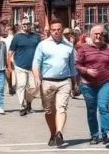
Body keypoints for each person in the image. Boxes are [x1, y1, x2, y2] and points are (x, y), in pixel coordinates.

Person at [33, 19, 78, 147]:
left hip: (64, 82)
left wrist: (75, 83)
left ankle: (59, 132)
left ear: (62, 30)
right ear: (50, 31)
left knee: (61, 107)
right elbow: (36, 63)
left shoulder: (68, 46)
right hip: (47, 82)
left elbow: (72, 66)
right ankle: (53, 133)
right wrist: (36, 77)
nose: (56, 32)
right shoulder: (43, 45)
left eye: (59, 30)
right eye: (54, 30)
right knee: (49, 111)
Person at [76, 25, 109, 147]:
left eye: (100, 34)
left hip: (105, 82)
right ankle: (94, 134)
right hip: (87, 84)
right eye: (96, 34)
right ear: (91, 35)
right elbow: (77, 65)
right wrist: (87, 71)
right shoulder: (83, 48)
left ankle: (106, 134)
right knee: (91, 109)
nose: (98, 36)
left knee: (103, 107)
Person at [8, 18, 41, 116]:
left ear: (31, 24)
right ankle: (22, 106)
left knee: (34, 87)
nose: (26, 25)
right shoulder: (17, 37)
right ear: (21, 26)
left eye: (28, 23)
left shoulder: (36, 37)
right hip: (20, 66)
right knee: (21, 85)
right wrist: (9, 66)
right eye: (24, 24)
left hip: (33, 67)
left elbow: (41, 51)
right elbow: (10, 52)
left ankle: (29, 102)